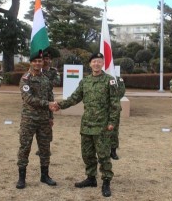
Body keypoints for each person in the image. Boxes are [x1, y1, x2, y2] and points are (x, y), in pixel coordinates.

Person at [55, 52, 121, 198]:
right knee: (87, 154)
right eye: (94, 61)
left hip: (102, 126)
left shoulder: (109, 81)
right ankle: (91, 178)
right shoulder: (85, 82)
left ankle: (106, 182)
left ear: (103, 63)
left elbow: (115, 105)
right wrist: (59, 105)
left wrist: (112, 123)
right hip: (86, 125)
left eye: (99, 61)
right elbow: (74, 98)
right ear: (90, 64)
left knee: (104, 155)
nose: (96, 64)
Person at [16, 51, 58, 189]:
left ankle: (45, 175)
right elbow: (28, 99)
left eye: (40, 61)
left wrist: (51, 116)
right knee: (25, 147)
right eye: (35, 61)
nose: (38, 63)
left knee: (45, 148)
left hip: (44, 120)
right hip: (29, 119)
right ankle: (22, 178)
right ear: (31, 62)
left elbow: (50, 96)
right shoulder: (25, 79)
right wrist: (47, 104)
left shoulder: (45, 78)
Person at [35, 50, 60, 156]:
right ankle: (40, 148)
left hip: (49, 98)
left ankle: (47, 148)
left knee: (48, 123)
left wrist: (44, 83)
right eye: (44, 59)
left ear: (50, 60)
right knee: (37, 124)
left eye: (48, 59)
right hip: (38, 99)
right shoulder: (37, 71)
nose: (46, 61)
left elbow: (57, 81)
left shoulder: (54, 71)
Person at [110, 76, 125, 160]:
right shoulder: (98, 77)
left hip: (114, 109)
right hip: (101, 110)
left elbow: (121, 92)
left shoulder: (118, 79)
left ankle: (113, 151)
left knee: (114, 131)